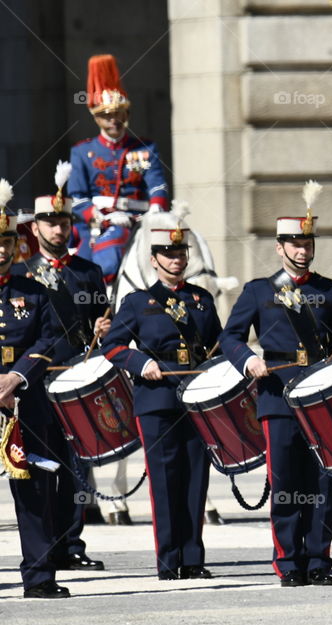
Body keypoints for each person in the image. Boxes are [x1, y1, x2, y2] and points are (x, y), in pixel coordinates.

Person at [220, 181, 332, 587]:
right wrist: (248, 360)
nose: (303, 250)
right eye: (294, 244)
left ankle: (319, 561)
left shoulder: (329, 291)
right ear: (279, 247)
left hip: (322, 398)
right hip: (277, 395)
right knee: (285, 484)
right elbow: (229, 338)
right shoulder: (258, 291)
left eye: (308, 243)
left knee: (322, 482)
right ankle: (288, 563)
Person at [101, 218, 218, 580]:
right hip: (156, 398)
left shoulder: (201, 299)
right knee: (165, 481)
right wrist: (142, 362)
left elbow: (218, 344)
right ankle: (169, 560)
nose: (176, 260)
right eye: (168, 254)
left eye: (181, 253)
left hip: (196, 397)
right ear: (154, 260)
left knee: (196, 479)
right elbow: (113, 346)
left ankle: (193, 558)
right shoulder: (138, 302)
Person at [11, 162, 111, 572]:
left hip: (77, 380)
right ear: (34, 229)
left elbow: (102, 322)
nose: (57, 229)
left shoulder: (87, 271)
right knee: (42, 464)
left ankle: (72, 543)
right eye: (49, 223)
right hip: (37, 381)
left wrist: (105, 327)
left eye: (63, 221)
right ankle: (46, 547)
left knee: (76, 467)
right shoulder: (22, 274)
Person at [0, 179, 70, 597]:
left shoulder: (35, 292)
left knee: (33, 490)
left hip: (23, 403)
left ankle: (40, 576)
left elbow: (49, 341)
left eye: (7, 242)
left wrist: (15, 377)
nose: (2, 250)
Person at [68, 54, 169, 285]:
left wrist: (154, 211)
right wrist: (104, 216)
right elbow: (77, 198)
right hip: (98, 224)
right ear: (97, 119)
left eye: (118, 114)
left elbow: (158, 186)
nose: (113, 120)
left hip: (142, 220)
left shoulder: (144, 148)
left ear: (127, 115)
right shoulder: (82, 152)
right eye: (107, 115)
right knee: (89, 270)